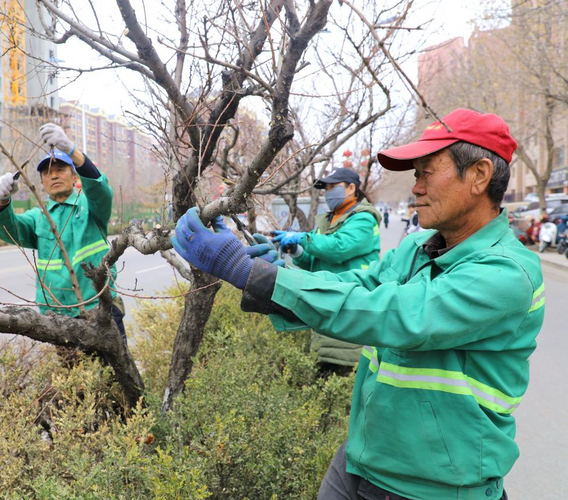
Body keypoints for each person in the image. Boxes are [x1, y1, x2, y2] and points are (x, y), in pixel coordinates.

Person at [171, 108, 543, 500]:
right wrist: (277, 272)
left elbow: (394, 313)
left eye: (425, 173)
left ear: (480, 175)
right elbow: (355, 285)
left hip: (434, 486)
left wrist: (252, 274)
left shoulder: (506, 273)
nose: (415, 187)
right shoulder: (419, 246)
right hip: (363, 457)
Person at [0, 123, 126, 336]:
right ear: (42, 182)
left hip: (100, 308)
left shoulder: (91, 205)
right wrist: (1, 200)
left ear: (74, 176)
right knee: (69, 370)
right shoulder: (38, 217)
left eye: (60, 169)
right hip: (57, 315)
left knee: (113, 367)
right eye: (47, 172)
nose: (53, 175)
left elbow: (100, 188)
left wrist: (72, 150)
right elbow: (7, 229)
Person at [272, 168, 381, 375]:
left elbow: (338, 248)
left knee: (345, 369)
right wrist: (297, 251)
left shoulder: (364, 219)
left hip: (351, 303)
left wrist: (303, 238)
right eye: (326, 188)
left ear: (351, 188)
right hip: (326, 302)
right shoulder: (327, 220)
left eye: (333, 187)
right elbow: (315, 259)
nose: (328, 192)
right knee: (324, 371)